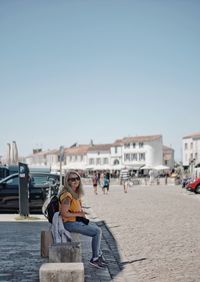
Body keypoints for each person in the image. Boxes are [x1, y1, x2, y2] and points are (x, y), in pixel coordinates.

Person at [59, 170, 107, 268]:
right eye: (72, 179)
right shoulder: (67, 195)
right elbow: (64, 213)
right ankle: (95, 259)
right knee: (97, 231)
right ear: (67, 181)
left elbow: (78, 209)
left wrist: (83, 217)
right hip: (69, 223)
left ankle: (99, 255)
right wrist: (79, 215)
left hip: (76, 221)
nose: (76, 181)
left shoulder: (74, 193)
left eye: (77, 179)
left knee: (97, 230)